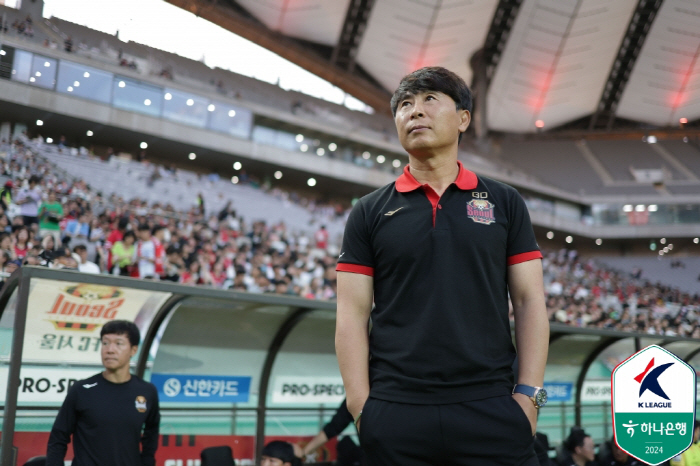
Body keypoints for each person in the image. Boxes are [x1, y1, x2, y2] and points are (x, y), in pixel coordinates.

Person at [335, 67, 549, 466]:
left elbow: (529, 300)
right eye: (405, 104)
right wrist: (361, 406)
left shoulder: (504, 202)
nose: (415, 111)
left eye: (430, 99)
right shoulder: (368, 212)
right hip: (395, 409)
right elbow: (351, 313)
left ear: (463, 118)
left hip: (492, 405)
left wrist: (529, 396)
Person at [46, 320, 160, 466]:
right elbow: (58, 438)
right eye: (105, 343)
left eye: (118, 343)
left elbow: (151, 432)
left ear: (133, 350)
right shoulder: (82, 390)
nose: (110, 350)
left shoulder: (147, 391)